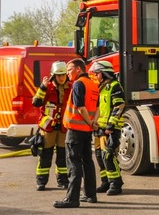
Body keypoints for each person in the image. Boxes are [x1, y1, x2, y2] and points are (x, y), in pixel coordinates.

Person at [54, 58, 99, 209]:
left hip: (75, 130)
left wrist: (88, 122)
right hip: (87, 131)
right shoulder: (93, 85)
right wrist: (93, 123)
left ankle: (72, 199)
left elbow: (80, 107)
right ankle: (90, 195)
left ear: (78, 69)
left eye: (69, 70)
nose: (67, 73)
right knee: (87, 162)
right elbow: (97, 108)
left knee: (73, 163)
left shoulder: (79, 84)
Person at [32, 61, 72, 191]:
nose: (61, 78)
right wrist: (42, 87)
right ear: (53, 76)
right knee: (45, 155)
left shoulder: (71, 87)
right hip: (48, 127)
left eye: (63, 75)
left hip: (63, 128)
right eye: (58, 75)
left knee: (62, 156)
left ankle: (63, 181)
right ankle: (41, 181)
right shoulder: (47, 87)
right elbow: (36, 103)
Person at [89, 60, 126, 195]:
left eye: (97, 73)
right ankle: (105, 182)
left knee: (109, 156)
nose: (96, 76)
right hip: (99, 129)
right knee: (99, 156)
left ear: (104, 74)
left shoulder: (115, 86)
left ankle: (116, 184)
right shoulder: (101, 88)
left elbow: (119, 107)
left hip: (110, 129)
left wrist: (111, 125)